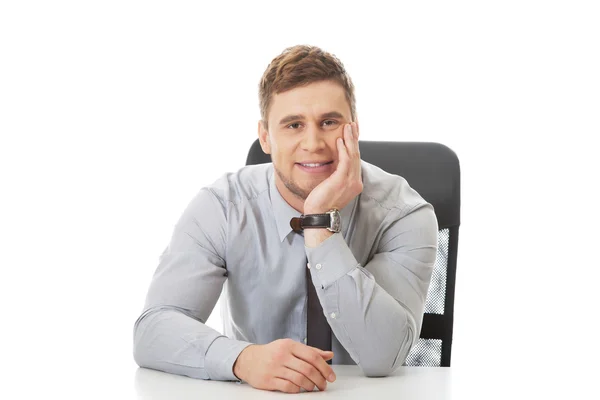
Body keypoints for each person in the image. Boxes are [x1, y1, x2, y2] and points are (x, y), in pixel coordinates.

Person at [133, 45, 439, 393]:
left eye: (329, 122)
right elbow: (153, 330)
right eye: (294, 125)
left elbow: (383, 356)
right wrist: (242, 359)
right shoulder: (223, 207)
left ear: (353, 129)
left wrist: (320, 225)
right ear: (265, 136)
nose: (313, 143)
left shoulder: (402, 213)